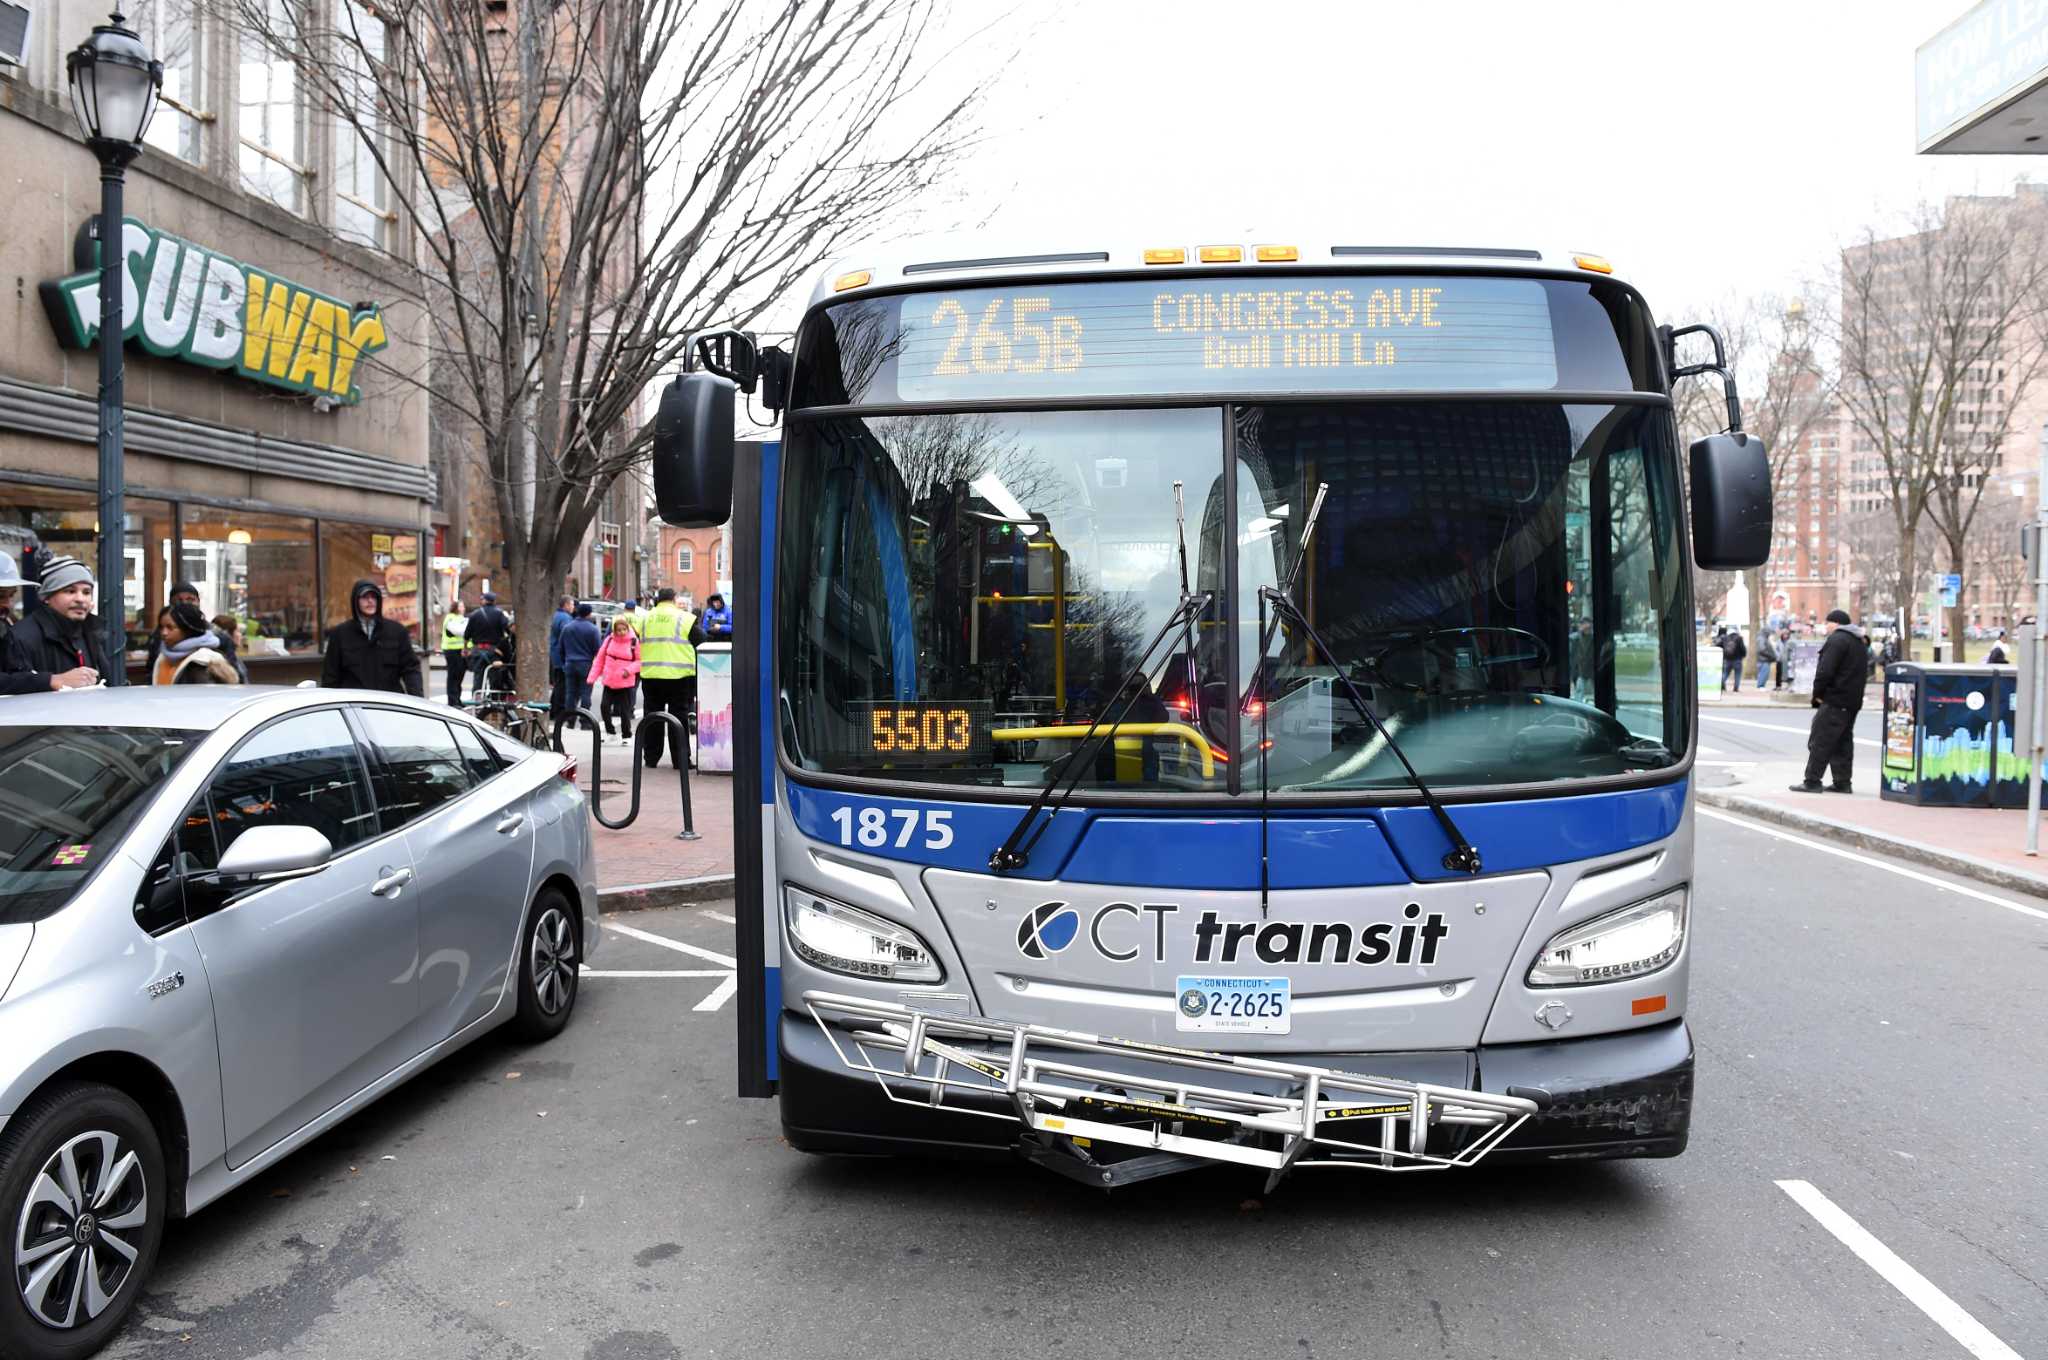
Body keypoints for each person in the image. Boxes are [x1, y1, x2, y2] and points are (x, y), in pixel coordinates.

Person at [4, 555, 110, 693]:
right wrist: (53, 681)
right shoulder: (21, 637)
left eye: (86, 592)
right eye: (70, 591)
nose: (80, 599)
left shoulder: (91, 632)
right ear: (47, 597)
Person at [1791, 608, 1869, 794]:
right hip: (1852, 701)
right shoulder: (1859, 641)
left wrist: (1818, 695)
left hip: (1835, 699)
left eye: (1828, 623)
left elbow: (1825, 671)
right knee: (1842, 741)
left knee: (1821, 739)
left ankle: (1812, 781)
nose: (1825, 626)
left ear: (1837, 623)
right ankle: (1843, 782)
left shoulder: (1837, 640)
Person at [321, 579, 424, 694]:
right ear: (355, 601)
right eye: (365, 597)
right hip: (354, 702)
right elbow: (330, 677)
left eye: (374, 597)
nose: (370, 601)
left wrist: (416, 698)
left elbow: (410, 670)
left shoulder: (397, 632)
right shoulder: (340, 634)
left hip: (389, 701)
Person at [638, 587, 700, 767]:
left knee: (652, 717)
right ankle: (680, 760)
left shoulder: (645, 618)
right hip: (678, 676)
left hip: (651, 674)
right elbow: (701, 639)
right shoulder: (684, 618)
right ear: (674, 599)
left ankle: (651, 758)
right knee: (678, 718)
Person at [151, 603, 239, 684]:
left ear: (187, 629)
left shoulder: (203, 662)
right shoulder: (163, 658)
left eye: (170, 627)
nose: (164, 633)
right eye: (161, 627)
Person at [588, 615, 642, 743]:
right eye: (619, 630)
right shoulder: (609, 640)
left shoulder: (634, 642)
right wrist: (592, 677)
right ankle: (610, 732)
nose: (622, 632)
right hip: (609, 680)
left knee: (624, 711)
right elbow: (600, 660)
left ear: (628, 629)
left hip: (625, 681)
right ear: (614, 630)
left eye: (624, 629)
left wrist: (628, 670)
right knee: (604, 706)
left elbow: (640, 661)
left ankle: (626, 735)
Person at [557, 603, 603, 721]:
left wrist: (565, 662)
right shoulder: (593, 629)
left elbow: (560, 648)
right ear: (589, 614)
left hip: (570, 663)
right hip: (586, 664)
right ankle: (585, 720)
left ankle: (570, 719)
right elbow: (598, 650)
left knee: (570, 693)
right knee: (585, 693)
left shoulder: (567, 628)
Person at [547, 594, 574, 720]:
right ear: (566, 605)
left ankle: (553, 710)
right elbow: (567, 636)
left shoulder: (556, 616)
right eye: (572, 604)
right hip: (561, 656)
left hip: (554, 654)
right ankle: (559, 711)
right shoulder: (565, 618)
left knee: (558, 684)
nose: (573, 607)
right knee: (562, 685)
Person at [439, 597, 469, 704]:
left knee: (460, 675)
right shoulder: (450, 618)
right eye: (461, 606)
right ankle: (452, 701)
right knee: (453, 676)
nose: (463, 608)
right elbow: (459, 631)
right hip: (451, 650)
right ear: (455, 607)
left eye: (463, 606)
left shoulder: (462, 618)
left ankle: (457, 699)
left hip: (461, 650)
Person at [1718, 626, 1746, 693]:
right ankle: (1736, 688)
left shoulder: (1725, 638)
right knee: (1737, 674)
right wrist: (1743, 655)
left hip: (1727, 659)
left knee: (1725, 673)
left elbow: (1719, 646)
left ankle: (1720, 684)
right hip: (1737, 659)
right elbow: (1742, 648)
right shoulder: (1739, 638)